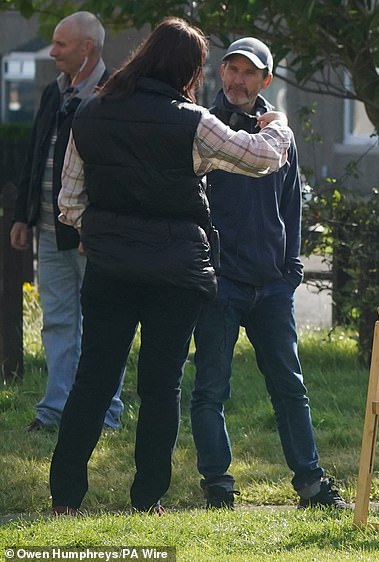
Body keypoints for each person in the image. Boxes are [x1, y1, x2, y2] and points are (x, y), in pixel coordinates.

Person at [49, 18, 293, 515]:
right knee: (160, 388)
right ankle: (147, 499)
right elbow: (259, 159)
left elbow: (69, 202)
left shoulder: (92, 111)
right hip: (176, 272)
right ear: (189, 69)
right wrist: (280, 125)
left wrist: (98, 236)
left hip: (110, 269)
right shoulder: (193, 121)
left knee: (93, 380)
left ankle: (66, 497)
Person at [190, 37, 348, 510]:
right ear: (221, 72)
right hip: (221, 282)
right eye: (230, 69)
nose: (237, 80)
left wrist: (292, 269)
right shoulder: (204, 126)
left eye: (248, 72)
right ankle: (218, 487)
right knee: (210, 389)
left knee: (290, 389)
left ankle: (312, 485)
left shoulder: (281, 134)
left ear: (266, 80)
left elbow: (290, 206)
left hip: (272, 284)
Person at [10, 11, 124, 432]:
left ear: (86, 48)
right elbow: (36, 154)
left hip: (89, 235)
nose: (53, 51)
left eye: (60, 44)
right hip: (46, 227)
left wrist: (90, 225)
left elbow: (114, 169)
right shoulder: (52, 93)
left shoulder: (113, 94)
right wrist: (24, 215)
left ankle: (106, 413)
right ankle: (54, 409)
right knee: (57, 320)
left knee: (103, 324)